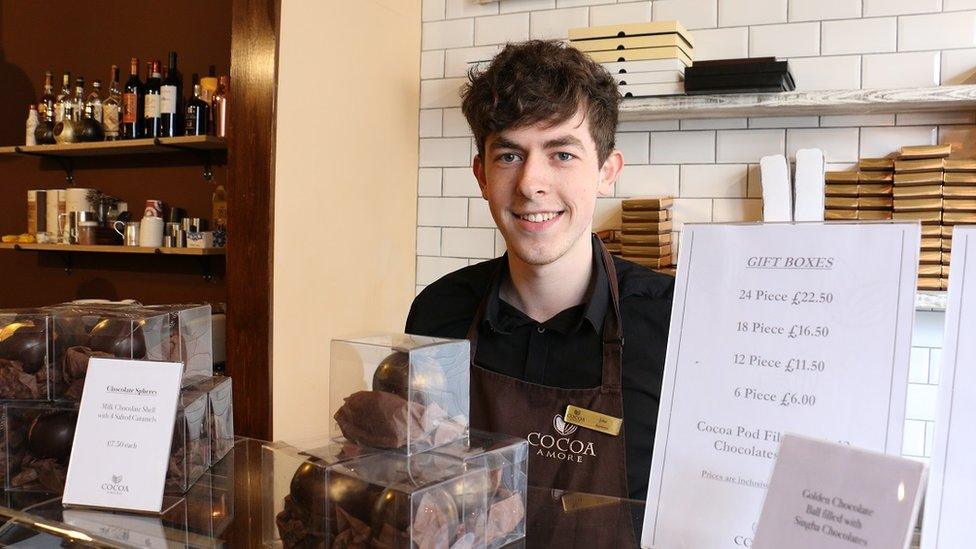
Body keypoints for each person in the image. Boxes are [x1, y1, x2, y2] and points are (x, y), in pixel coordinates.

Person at [405, 40, 673, 501]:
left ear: (608, 172)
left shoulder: (672, 323)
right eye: (509, 156)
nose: (531, 184)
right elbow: (415, 477)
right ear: (481, 175)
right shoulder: (437, 313)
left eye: (562, 154)